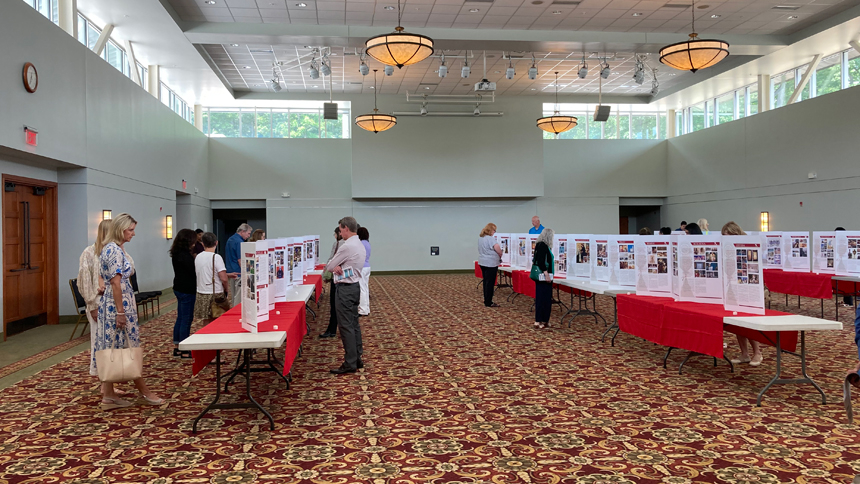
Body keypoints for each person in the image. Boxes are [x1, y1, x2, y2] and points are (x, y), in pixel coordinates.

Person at [93, 213, 162, 409]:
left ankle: (108, 395)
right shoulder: (113, 250)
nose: (133, 233)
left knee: (114, 346)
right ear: (120, 230)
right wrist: (121, 312)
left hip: (117, 304)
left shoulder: (113, 248)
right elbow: (115, 283)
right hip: (118, 305)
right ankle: (144, 390)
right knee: (128, 347)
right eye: (130, 230)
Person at [326, 217, 367, 374]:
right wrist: (338, 267)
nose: (340, 232)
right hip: (355, 287)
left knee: (345, 326)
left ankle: (350, 362)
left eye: (340, 229)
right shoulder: (360, 244)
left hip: (345, 289)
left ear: (346, 229)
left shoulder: (346, 246)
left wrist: (337, 266)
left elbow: (330, 265)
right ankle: (357, 358)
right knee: (354, 324)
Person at [721, 221, 764, 366]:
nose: (726, 239)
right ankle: (744, 353)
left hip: (748, 288)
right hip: (732, 288)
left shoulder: (748, 246)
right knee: (737, 323)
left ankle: (757, 353)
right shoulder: (726, 248)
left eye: (728, 236)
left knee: (749, 322)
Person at [79, 219, 111, 381]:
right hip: (98, 302)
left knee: (112, 343)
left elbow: (131, 268)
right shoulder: (90, 253)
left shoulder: (115, 251)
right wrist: (91, 304)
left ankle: (111, 377)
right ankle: (102, 378)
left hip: (113, 303)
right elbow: (84, 282)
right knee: (99, 342)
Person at [170, 228, 198, 358]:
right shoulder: (185, 256)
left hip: (178, 286)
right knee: (186, 318)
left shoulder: (176, 253)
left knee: (180, 317)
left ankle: (177, 346)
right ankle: (184, 348)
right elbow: (193, 272)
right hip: (187, 288)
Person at [194, 232, 230, 323]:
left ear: (202, 244)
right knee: (218, 320)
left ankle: (206, 336)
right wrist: (226, 289)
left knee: (206, 319)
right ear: (216, 242)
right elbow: (224, 278)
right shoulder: (216, 257)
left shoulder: (198, 257)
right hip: (215, 293)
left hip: (201, 291)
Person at [320, 226, 344, 339]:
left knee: (334, 305)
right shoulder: (350, 244)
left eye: (335, 233)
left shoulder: (338, 244)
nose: (334, 236)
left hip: (336, 277)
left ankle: (332, 329)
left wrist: (326, 272)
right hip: (344, 279)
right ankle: (334, 329)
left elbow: (331, 259)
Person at [225, 223, 252, 306]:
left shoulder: (230, 239)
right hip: (239, 272)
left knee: (233, 295)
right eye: (248, 233)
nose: (249, 236)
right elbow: (241, 260)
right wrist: (247, 273)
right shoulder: (239, 242)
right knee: (239, 297)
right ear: (242, 231)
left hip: (230, 271)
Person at [533, 228, 555, 329]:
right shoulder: (543, 246)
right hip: (543, 277)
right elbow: (541, 262)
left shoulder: (539, 244)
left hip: (543, 277)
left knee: (545, 299)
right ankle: (539, 321)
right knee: (543, 299)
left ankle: (544, 320)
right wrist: (546, 274)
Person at [478, 223, 503, 308]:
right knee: (490, 283)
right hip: (491, 263)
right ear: (490, 230)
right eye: (494, 230)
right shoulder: (490, 239)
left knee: (486, 282)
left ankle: (486, 299)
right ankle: (489, 301)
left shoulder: (481, 238)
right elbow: (498, 249)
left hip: (482, 262)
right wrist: (501, 254)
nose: (494, 232)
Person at [836, 227, 853, 307]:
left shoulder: (848, 243)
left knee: (847, 284)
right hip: (839, 264)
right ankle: (846, 301)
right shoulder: (837, 243)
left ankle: (849, 302)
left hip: (847, 266)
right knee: (843, 283)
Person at [357, 227, 371, 317]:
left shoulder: (360, 243)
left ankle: (362, 310)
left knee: (362, 289)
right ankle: (366, 308)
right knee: (365, 288)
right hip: (367, 266)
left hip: (361, 267)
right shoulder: (367, 243)